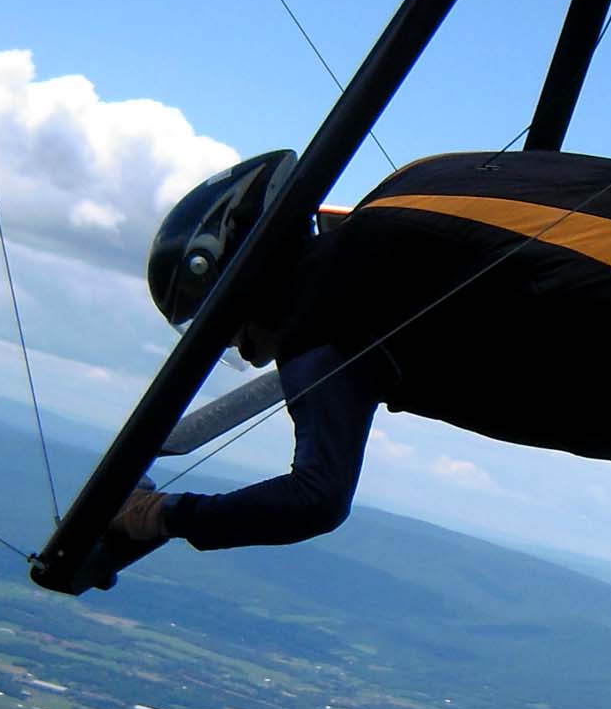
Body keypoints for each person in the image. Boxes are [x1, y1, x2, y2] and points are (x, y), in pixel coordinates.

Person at [110, 154, 398, 557]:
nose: (230, 344)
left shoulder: (320, 329)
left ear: (248, 282)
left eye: (217, 318)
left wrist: (165, 514)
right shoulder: (387, 222)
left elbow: (317, 498)